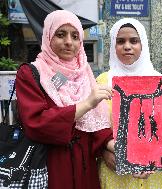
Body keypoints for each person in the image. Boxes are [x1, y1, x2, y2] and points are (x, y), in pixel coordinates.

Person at [16, 10, 114, 189]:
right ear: (48, 36)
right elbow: (35, 122)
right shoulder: (31, 73)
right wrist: (85, 104)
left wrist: (112, 146)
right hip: (51, 167)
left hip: (85, 169)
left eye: (75, 36)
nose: (69, 42)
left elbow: (94, 124)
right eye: (60, 35)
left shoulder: (84, 73)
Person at [96, 18, 162, 189]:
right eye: (120, 41)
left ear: (143, 44)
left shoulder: (159, 81)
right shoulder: (102, 81)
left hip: (151, 175)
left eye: (134, 41)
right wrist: (103, 151)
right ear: (113, 46)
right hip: (114, 171)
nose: (127, 46)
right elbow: (93, 126)